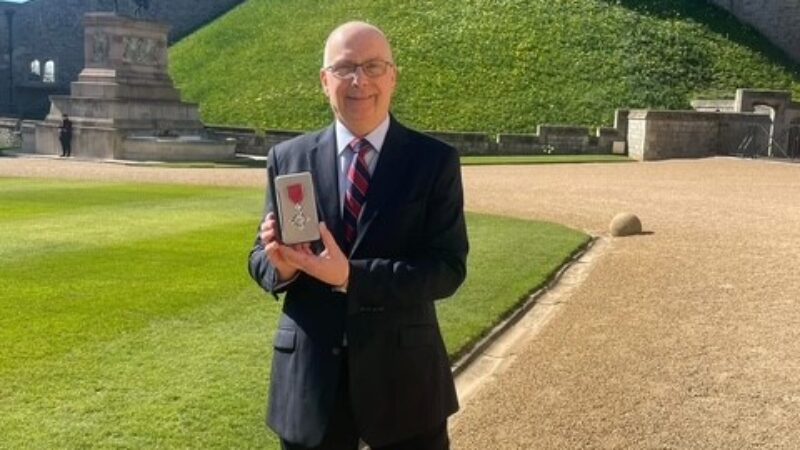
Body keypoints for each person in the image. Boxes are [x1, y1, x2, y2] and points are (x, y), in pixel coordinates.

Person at [248, 21, 469, 450]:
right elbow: (259, 256)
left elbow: (447, 269)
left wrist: (351, 276)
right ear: (324, 80)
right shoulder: (288, 157)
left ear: (393, 76)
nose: (359, 81)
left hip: (405, 387)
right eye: (345, 68)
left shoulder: (434, 161)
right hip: (311, 388)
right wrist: (279, 268)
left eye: (373, 66)